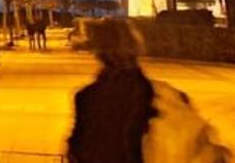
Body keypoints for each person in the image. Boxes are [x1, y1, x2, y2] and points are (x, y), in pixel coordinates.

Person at [67, 19, 230, 163]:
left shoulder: (87, 98)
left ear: (99, 53)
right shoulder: (167, 97)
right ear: (136, 47)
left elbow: (79, 150)